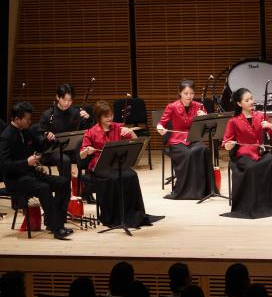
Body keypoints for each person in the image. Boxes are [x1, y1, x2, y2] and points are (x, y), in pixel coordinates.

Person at [221, 88, 272, 219]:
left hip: (260, 152)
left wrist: (270, 126)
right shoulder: (233, 121)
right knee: (251, 168)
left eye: (251, 98)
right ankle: (254, 205)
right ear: (239, 104)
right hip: (243, 154)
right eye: (247, 100)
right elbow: (226, 144)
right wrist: (229, 145)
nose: (251, 101)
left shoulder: (261, 116)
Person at [0, 101, 72, 239]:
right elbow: (4, 165)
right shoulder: (6, 137)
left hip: (30, 174)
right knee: (43, 188)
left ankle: (55, 222)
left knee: (63, 182)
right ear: (16, 119)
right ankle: (57, 228)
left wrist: (48, 139)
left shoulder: (26, 131)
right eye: (26, 119)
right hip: (15, 179)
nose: (29, 121)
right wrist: (26, 162)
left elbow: (40, 147)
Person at [81, 101, 157, 229]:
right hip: (100, 166)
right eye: (106, 116)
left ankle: (132, 214)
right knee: (114, 178)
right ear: (99, 117)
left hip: (117, 164)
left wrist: (131, 132)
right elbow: (82, 155)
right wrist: (86, 151)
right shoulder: (91, 132)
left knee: (131, 175)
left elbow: (136, 141)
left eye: (111, 115)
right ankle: (114, 216)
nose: (110, 119)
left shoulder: (118, 127)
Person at [156, 79, 214, 200]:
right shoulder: (172, 107)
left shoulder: (199, 106)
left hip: (193, 138)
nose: (189, 96)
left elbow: (209, 124)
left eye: (191, 93)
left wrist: (205, 117)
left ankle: (203, 189)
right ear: (180, 93)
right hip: (176, 141)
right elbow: (161, 123)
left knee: (203, 150)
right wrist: (160, 128)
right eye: (186, 93)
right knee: (188, 154)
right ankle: (186, 190)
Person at [37, 83, 91, 181]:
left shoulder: (75, 113)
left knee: (89, 155)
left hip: (72, 149)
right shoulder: (48, 114)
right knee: (64, 160)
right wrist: (46, 135)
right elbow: (39, 135)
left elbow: (87, 131)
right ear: (58, 97)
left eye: (70, 100)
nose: (67, 103)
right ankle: (64, 190)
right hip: (53, 151)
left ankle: (85, 188)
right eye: (64, 100)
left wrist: (88, 119)